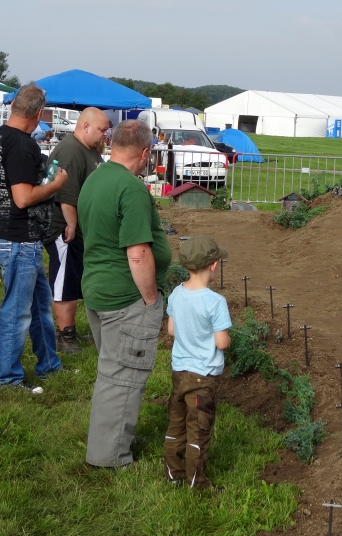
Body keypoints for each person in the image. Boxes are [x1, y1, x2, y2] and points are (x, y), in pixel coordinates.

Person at [78, 119, 172, 467]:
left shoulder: (96, 179)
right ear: (145, 153)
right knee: (122, 378)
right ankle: (110, 455)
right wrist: (150, 300)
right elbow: (138, 252)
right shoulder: (130, 190)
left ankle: (113, 438)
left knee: (111, 373)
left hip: (97, 289)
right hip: (125, 298)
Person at [0, 83, 68, 393]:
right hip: (20, 238)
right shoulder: (22, 145)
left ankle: (49, 364)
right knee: (18, 311)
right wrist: (55, 184)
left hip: (8, 233)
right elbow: (23, 197)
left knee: (39, 304)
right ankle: (8, 378)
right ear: (36, 113)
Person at [164, 236, 231, 489]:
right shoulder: (215, 302)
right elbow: (222, 343)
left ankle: (173, 473)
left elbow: (171, 331)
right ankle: (197, 482)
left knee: (176, 423)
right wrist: (228, 341)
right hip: (203, 378)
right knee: (198, 431)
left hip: (179, 372)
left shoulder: (176, 294)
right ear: (214, 265)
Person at [43, 107, 106, 354]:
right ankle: (64, 334)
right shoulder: (71, 150)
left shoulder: (87, 149)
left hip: (76, 229)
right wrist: (71, 225)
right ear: (86, 126)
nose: (104, 135)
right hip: (64, 229)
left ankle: (69, 329)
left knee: (72, 279)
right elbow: (66, 196)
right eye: (101, 130)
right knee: (64, 281)